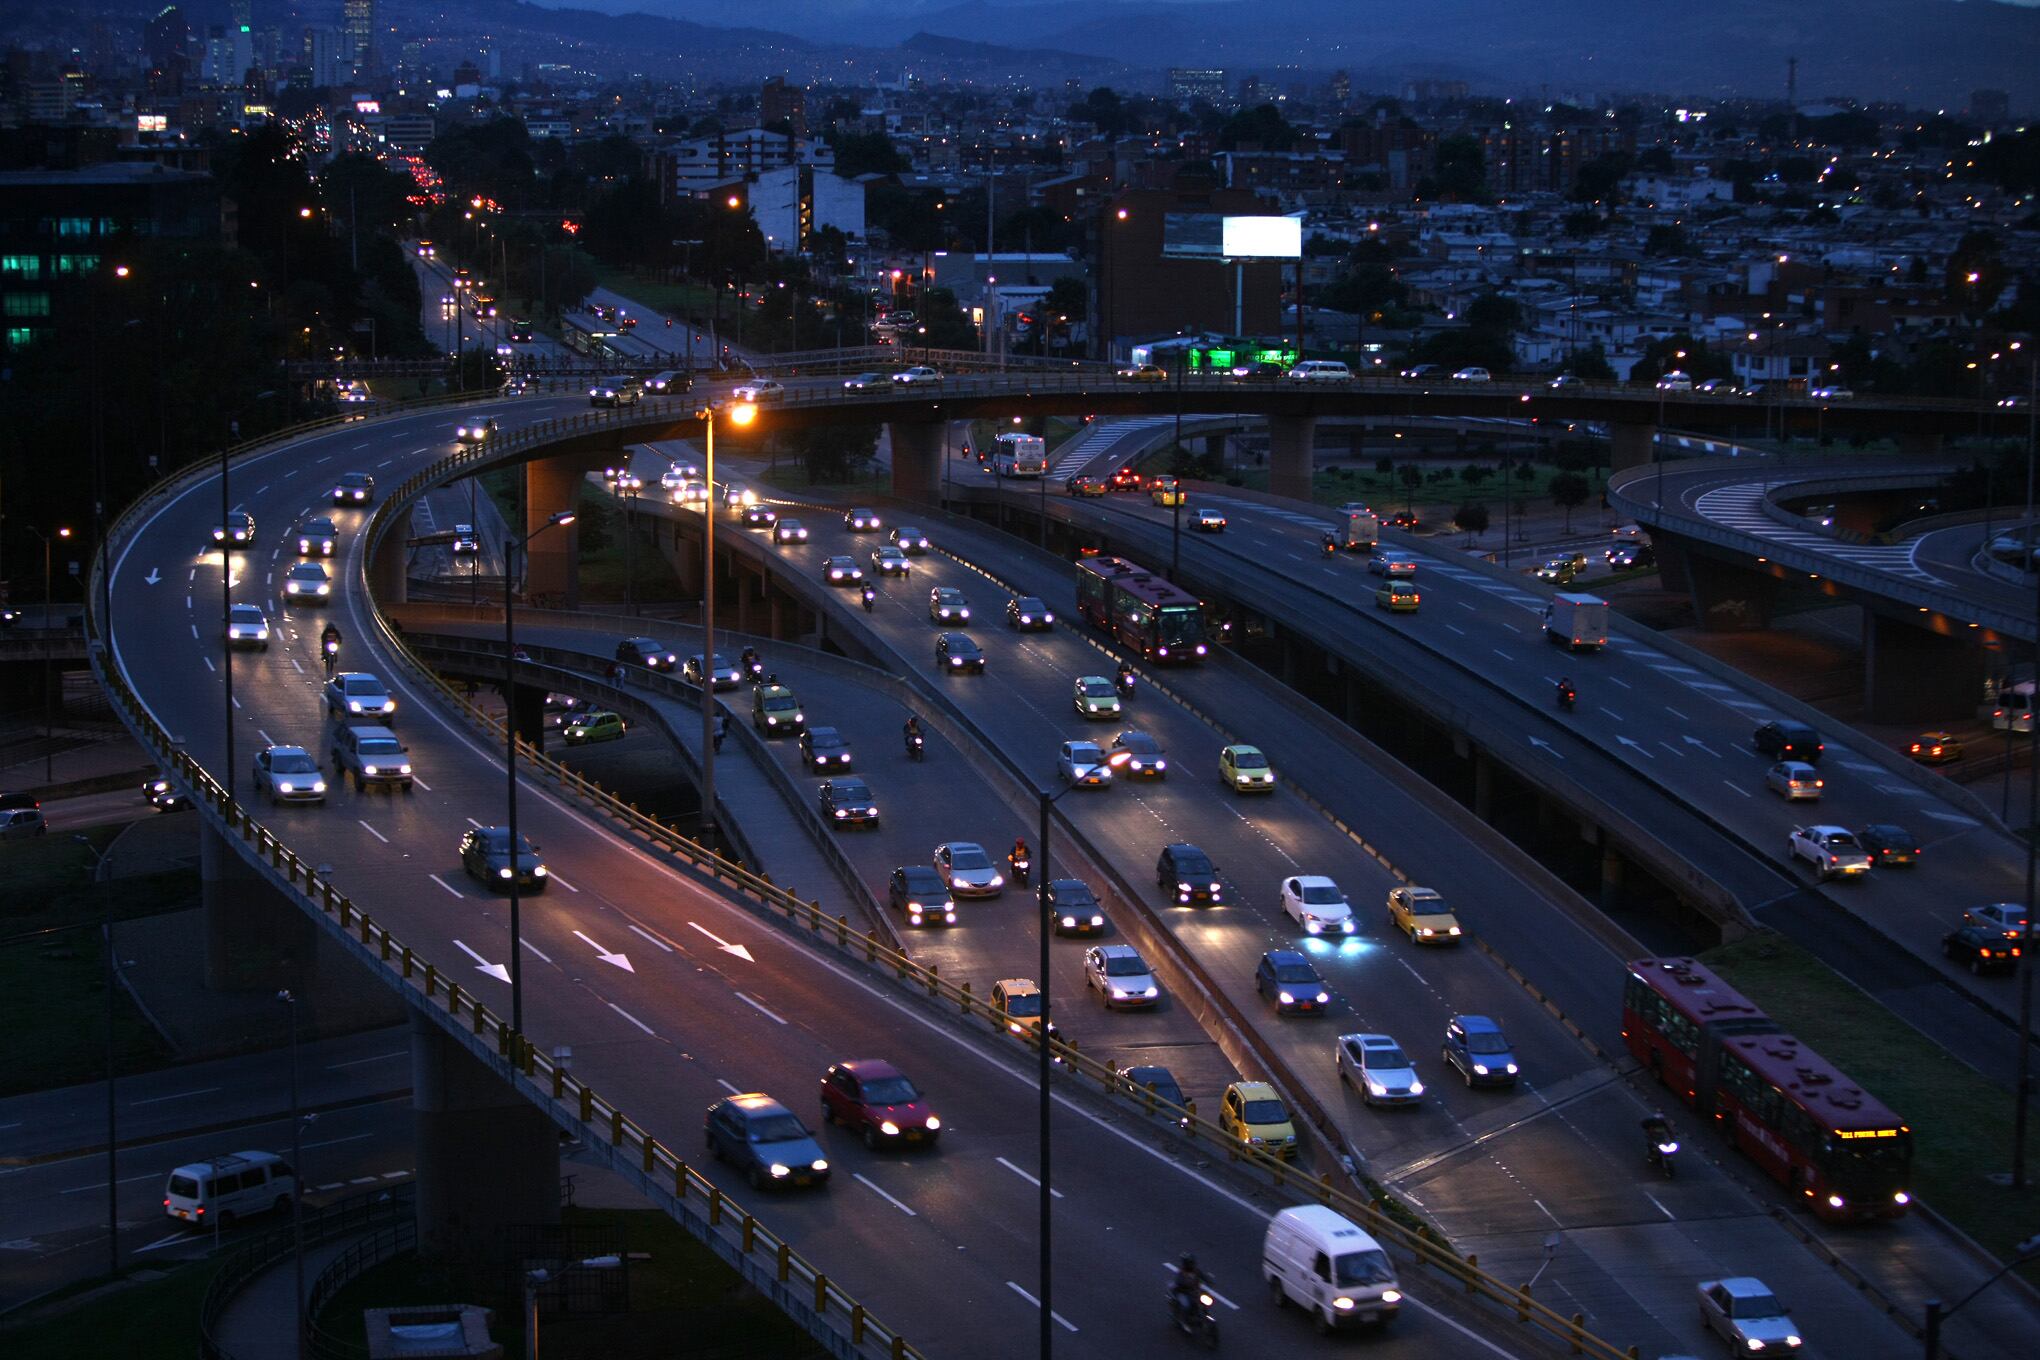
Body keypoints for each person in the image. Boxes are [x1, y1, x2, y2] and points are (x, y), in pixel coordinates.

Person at [1170, 1255, 1207, 1323]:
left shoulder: (1196, 1271)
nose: (1192, 1265)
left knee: (1204, 1302)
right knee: (1186, 1305)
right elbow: (1179, 1281)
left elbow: (1203, 1276)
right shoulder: (1182, 1273)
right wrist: (1185, 1285)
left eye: (1192, 1263)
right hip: (1183, 1292)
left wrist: (1209, 1281)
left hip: (1194, 1292)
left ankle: (1204, 1314)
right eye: (1190, 1263)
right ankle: (1183, 1321)